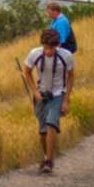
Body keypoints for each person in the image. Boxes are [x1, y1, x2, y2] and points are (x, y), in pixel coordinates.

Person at [24, 25, 74, 175]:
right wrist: (35, 92)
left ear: (58, 45)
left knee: (51, 123)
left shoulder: (66, 56)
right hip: (40, 95)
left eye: (51, 48)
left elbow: (71, 76)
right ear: (42, 45)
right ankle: (46, 157)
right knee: (42, 132)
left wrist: (66, 100)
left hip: (58, 94)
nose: (48, 51)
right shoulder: (35, 54)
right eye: (46, 47)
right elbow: (27, 72)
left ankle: (49, 162)